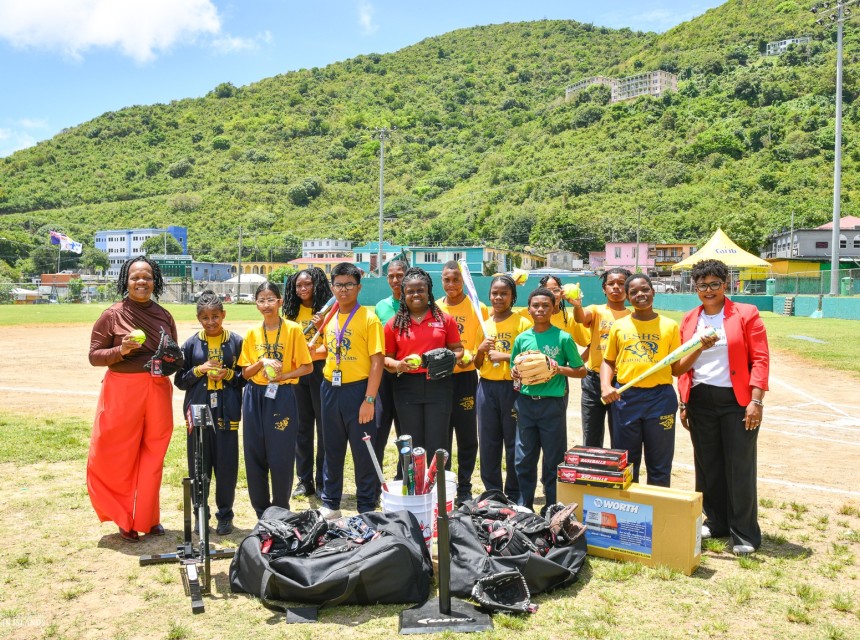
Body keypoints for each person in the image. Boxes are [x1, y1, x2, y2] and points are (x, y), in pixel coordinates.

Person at [678, 259, 769, 556]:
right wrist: (684, 402)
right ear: (695, 287)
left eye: (714, 284)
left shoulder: (746, 314)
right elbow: (681, 367)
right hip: (700, 400)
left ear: (725, 284)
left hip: (736, 401)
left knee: (739, 466)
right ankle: (716, 521)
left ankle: (744, 533)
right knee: (708, 465)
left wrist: (755, 400)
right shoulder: (690, 318)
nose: (708, 290)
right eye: (702, 285)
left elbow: (760, 359)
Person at [87, 256, 178, 542]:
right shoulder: (112, 315)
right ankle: (124, 518)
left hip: (157, 388)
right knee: (119, 454)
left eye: (147, 277)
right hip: (123, 390)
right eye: (135, 277)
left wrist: (173, 359)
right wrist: (121, 351)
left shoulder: (164, 315)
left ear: (155, 281)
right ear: (125, 280)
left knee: (154, 455)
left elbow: (173, 354)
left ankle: (149, 519)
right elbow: (93, 356)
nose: (142, 282)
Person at [601, 274, 716, 487]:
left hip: (660, 399)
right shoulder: (620, 326)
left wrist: (699, 348)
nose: (640, 295)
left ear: (653, 292)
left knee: (660, 465)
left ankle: (657, 514)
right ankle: (629, 513)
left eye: (645, 289)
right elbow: (607, 362)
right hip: (626, 399)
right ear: (627, 297)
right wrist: (606, 386)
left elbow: (676, 369)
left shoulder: (669, 326)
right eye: (633, 292)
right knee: (626, 464)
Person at [238, 282, 313, 519]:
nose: (266, 304)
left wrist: (284, 376)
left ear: (280, 302)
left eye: (271, 299)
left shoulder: (292, 330)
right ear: (256, 303)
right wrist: (261, 363)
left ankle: (280, 509)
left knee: (280, 453)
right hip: (254, 396)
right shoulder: (252, 333)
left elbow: (307, 367)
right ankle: (261, 512)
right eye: (261, 299)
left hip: (282, 395)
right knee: (254, 451)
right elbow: (245, 373)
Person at [174, 291, 244, 535]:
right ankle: (199, 515)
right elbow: (180, 381)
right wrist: (199, 370)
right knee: (198, 466)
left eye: (215, 316)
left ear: (223, 315)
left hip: (227, 412)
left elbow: (245, 378)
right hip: (199, 410)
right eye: (205, 318)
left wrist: (229, 375)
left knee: (226, 467)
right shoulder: (191, 344)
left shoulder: (236, 342)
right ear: (198, 318)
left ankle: (225, 515)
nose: (211, 322)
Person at [317, 263, 384, 519]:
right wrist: (312, 351)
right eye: (338, 285)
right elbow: (330, 350)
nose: (343, 290)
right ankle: (331, 503)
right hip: (329, 388)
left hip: (358, 391)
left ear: (359, 287)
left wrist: (369, 399)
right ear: (331, 287)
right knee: (331, 447)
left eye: (348, 285)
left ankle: (366, 506)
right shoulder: (330, 316)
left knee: (363, 450)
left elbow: (377, 360)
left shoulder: (369, 319)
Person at [511, 287, 586, 513]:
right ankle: (525, 506)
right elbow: (514, 370)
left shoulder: (563, 338)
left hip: (552, 404)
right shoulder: (522, 338)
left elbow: (581, 370)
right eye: (536, 305)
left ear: (554, 308)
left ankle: (552, 507)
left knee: (553, 458)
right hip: (525, 402)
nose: (540, 309)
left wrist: (556, 368)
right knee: (524, 458)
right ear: (529, 309)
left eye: (545, 305)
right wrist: (515, 373)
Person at [384, 267, 463, 458]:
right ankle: (414, 487)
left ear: (429, 292)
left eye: (421, 290)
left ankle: (439, 486)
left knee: (438, 441)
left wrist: (449, 358)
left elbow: (458, 349)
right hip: (406, 386)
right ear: (403, 294)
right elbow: (386, 358)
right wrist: (398, 365)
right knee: (412, 442)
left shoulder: (445, 320)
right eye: (410, 291)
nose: (416, 294)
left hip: (439, 384)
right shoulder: (393, 324)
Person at [474, 274, 532, 503]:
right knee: (488, 441)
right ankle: (493, 492)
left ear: (513, 297)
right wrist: (480, 350)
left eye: (504, 293)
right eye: (494, 293)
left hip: (513, 388)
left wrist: (506, 356)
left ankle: (515, 492)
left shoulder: (523, 323)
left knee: (513, 440)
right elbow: (478, 364)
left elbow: (530, 357)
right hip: (487, 388)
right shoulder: (484, 325)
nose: (498, 297)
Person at [436, 261, 488, 504]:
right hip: (441, 380)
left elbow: (484, 342)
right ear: (441, 281)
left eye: (456, 279)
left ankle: (465, 486)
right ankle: (443, 483)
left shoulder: (478, 308)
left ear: (464, 281)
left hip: (466, 378)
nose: (451, 284)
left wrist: (473, 354)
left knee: (467, 434)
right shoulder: (434, 307)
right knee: (441, 434)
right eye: (447, 280)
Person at [282, 267, 332, 499]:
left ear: (317, 285)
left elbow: (332, 345)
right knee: (301, 427)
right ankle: (304, 480)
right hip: (298, 372)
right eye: (298, 285)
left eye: (307, 284)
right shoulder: (291, 313)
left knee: (324, 427)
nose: (302, 289)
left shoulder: (327, 312)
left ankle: (323, 480)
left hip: (320, 371)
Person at [569, 268, 631, 447]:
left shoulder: (633, 316)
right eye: (611, 284)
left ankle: (617, 473)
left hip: (621, 382)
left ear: (627, 288)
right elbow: (581, 319)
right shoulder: (596, 310)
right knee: (591, 436)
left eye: (621, 283)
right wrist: (577, 305)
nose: (616, 287)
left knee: (620, 435)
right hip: (593, 381)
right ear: (604, 289)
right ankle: (591, 474)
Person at [373, 259, 408, 475]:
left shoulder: (416, 303)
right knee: (378, 429)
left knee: (405, 430)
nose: (395, 280)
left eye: (400, 275)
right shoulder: (381, 307)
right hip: (385, 375)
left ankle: (403, 476)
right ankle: (374, 479)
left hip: (407, 375)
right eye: (391, 276)